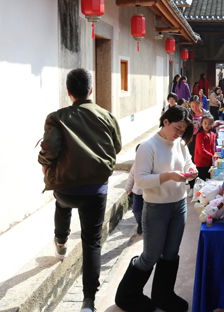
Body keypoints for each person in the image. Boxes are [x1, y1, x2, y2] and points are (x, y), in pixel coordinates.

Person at [38, 68, 122, 312]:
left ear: (69, 92)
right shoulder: (106, 115)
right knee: (92, 242)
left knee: (61, 203)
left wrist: (44, 165)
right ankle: (88, 301)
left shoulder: (57, 118)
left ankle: (61, 241)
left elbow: (50, 149)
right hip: (96, 190)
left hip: (66, 190)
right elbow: (116, 146)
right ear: (91, 90)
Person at [114, 106, 197, 312]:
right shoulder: (148, 146)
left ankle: (163, 295)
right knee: (150, 256)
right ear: (165, 121)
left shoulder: (180, 144)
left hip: (179, 205)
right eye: (177, 128)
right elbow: (141, 180)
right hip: (156, 208)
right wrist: (169, 176)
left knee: (171, 253)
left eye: (183, 130)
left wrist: (192, 170)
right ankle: (127, 296)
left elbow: (188, 163)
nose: (179, 133)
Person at [125, 145, 144, 235]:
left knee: (148, 211)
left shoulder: (154, 163)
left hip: (150, 193)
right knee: (136, 210)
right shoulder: (136, 163)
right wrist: (128, 188)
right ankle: (140, 223)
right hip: (137, 192)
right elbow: (131, 176)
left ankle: (145, 224)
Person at [194, 113, 216, 180]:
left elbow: (213, 148)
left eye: (209, 123)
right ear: (201, 123)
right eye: (205, 123)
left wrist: (214, 157)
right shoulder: (199, 135)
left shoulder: (212, 134)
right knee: (201, 181)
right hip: (201, 163)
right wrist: (212, 157)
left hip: (210, 162)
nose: (207, 125)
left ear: (212, 124)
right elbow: (201, 151)